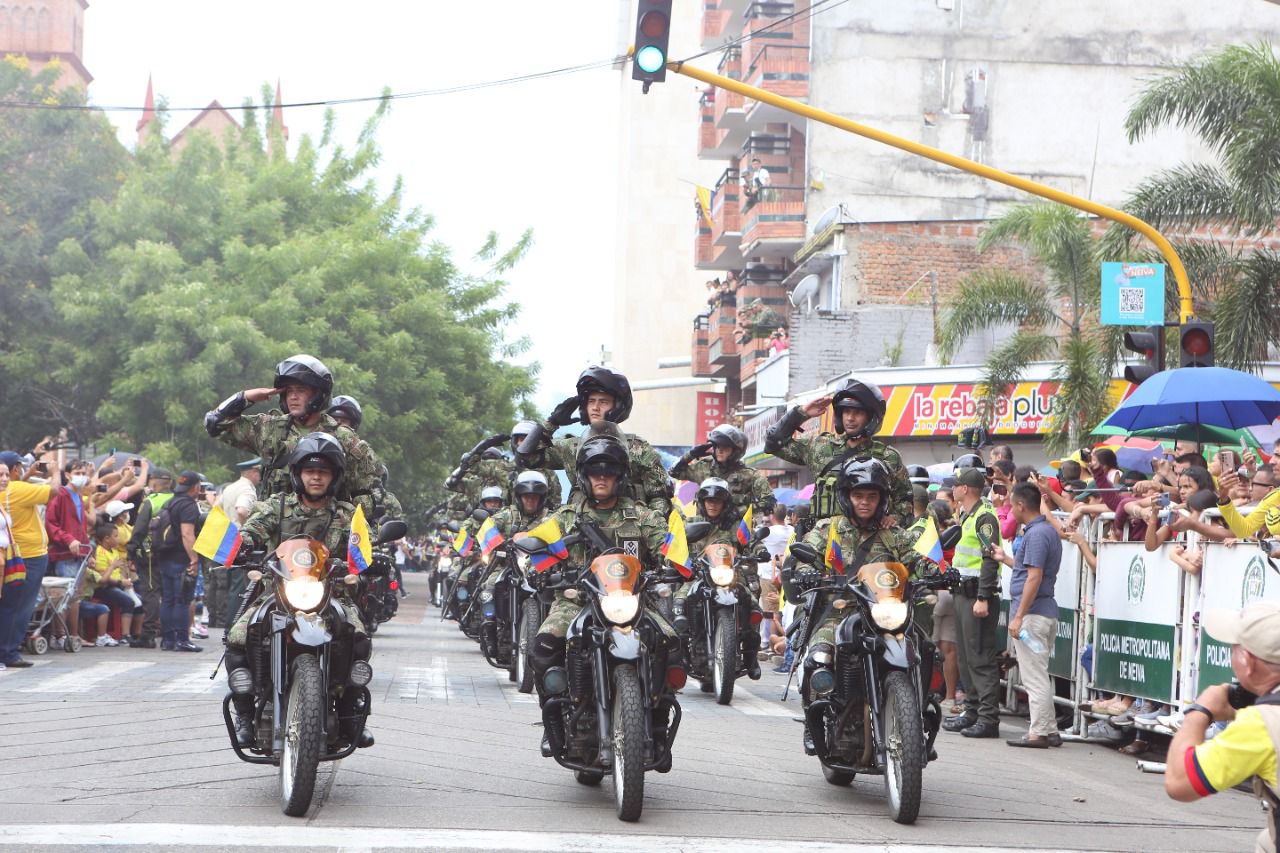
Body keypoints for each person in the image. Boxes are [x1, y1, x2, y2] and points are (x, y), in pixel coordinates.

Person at [527, 422, 678, 757]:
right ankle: (554, 724)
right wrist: (537, 570)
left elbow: (667, 547)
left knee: (671, 643)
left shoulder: (642, 516)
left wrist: (678, 565)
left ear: (620, 475)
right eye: (595, 471)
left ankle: (657, 722)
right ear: (583, 474)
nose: (601, 477)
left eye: (609, 471)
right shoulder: (566, 517)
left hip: (633, 600)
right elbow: (539, 550)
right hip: (577, 600)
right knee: (543, 648)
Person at [228, 432, 370, 749]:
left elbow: (363, 547)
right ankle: (245, 714)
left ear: (334, 476)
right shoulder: (276, 507)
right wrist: (242, 546)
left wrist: (368, 563)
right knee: (238, 637)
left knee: (358, 638)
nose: (316, 477)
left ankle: (350, 713)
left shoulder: (348, 514)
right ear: (298, 474)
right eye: (310, 470)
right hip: (276, 592)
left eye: (323, 471)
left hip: (331, 593)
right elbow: (250, 531)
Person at [798, 458, 940, 753]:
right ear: (846, 497)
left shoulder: (893, 534)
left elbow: (917, 562)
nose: (865, 502)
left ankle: (919, 716)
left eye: (872, 496)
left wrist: (943, 572)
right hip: (839, 612)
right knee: (819, 656)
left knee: (926, 650)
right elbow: (804, 556)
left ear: (881, 499)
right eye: (858, 495)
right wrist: (806, 571)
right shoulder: (828, 529)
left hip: (885, 613)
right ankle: (813, 719)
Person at [204, 354, 390, 520]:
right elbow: (215, 424)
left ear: (318, 395)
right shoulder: (269, 429)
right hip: (272, 533)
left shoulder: (345, 439)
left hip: (327, 536)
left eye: (301, 390)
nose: (293, 397)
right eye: (289, 391)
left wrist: (348, 525)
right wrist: (246, 397)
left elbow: (370, 491)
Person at [1164, 602, 1280, 852]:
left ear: (1247, 661)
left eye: (1234, 648)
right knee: (1267, 840)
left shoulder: (1261, 724)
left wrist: (1201, 710)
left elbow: (1179, 782)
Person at [764, 378, 910, 534]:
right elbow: (772, 443)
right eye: (846, 411)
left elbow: (905, 501)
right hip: (822, 540)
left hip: (869, 540)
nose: (850, 418)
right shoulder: (820, 446)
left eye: (857, 412)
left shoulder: (888, 457)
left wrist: (894, 518)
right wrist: (801, 413)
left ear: (871, 417)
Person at [536, 366, 671, 516]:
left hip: (628, 526)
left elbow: (660, 497)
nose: (595, 407)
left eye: (603, 402)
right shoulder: (571, 447)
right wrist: (551, 423)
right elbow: (527, 457)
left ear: (617, 406)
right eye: (591, 401)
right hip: (578, 525)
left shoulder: (638, 449)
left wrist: (647, 522)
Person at [991, 482, 1062, 748]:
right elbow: (1028, 570)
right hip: (1040, 613)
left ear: (1021, 505)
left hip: (1032, 616)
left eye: (1012, 506)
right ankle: (1049, 729)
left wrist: (1019, 616)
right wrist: (1005, 559)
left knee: (1034, 676)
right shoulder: (1045, 531)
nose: (1010, 510)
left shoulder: (1037, 534)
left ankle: (1039, 732)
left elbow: (1034, 577)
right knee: (1038, 673)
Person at [673, 477, 763, 679]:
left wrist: (760, 550)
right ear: (702, 502)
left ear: (725, 503)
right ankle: (681, 656)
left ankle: (751, 656)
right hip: (698, 576)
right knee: (678, 604)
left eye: (717, 501)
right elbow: (678, 544)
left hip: (729, 576)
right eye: (708, 500)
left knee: (754, 607)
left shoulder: (735, 524)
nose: (712, 504)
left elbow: (751, 541)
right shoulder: (692, 523)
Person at [942, 466, 1003, 739]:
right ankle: (972, 711)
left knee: (980, 658)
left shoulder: (984, 516)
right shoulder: (969, 515)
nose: (952, 489)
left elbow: (989, 559)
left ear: (964, 488)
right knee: (966, 659)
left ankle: (988, 718)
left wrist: (983, 597)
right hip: (963, 593)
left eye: (955, 485)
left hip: (977, 596)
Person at [478, 470, 554, 654]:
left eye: (535, 497)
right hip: (509, 565)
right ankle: (490, 629)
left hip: (541, 566)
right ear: (519, 497)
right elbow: (487, 529)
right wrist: (500, 544)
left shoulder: (550, 517)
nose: (530, 501)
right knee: (489, 587)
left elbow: (563, 533)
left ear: (542, 498)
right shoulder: (507, 515)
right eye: (526, 496)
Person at [0, 451, 61, 669]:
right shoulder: (17, 489)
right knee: (20, 606)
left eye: (5, 474)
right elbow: (54, 490)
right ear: (16, 468)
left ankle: (7, 649)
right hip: (29, 556)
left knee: (11, 604)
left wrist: (26, 476)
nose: (5, 479)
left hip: (14, 555)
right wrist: (55, 471)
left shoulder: (10, 491)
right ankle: (8, 652)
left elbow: (13, 492)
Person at [150, 471, 204, 652]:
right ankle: (182, 640)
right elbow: (187, 534)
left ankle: (168, 640)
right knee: (182, 600)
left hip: (165, 556)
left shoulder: (170, 502)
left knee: (168, 599)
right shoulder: (188, 505)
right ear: (196, 487)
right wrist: (194, 559)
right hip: (181, 558)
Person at [672, 424, 774, 519]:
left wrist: (738, 512)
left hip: (735, 529)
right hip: (703, 528)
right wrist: (691, 455)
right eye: (717, 446)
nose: (720, 450)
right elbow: (674, 472)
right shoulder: (704, 467)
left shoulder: (750, 475)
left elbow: (769, 503)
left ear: (736, 451)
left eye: (725, 446)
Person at [126, 469, 173, 648]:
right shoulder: (177, 500)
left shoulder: (151, 502)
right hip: (174, 554)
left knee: (151, 593)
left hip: (150, 555)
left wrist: (131, 551)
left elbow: (139, 529)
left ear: (153, 482)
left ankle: (148, 635)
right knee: (170, 594)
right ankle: (171, 633)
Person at [217, 458, 260, 630]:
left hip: (227, 537)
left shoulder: (231, 487)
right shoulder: (246, 489)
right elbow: (242, 510)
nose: (260, 476)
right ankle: (233, 627)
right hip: (240, 539)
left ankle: (229, 623)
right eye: (258, 473)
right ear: (253, 472)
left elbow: (216, 507)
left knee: (231, 585)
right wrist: (248, 527)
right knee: (240, 586)